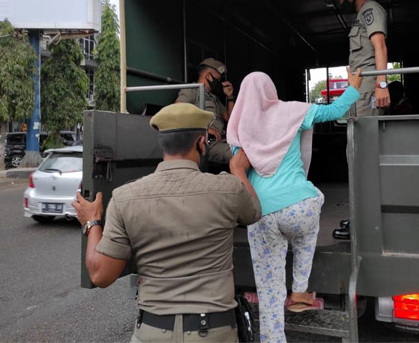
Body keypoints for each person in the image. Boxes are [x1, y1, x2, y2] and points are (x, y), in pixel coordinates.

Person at [72, 103, 261, 343]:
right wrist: (238, 169)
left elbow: (100, 275)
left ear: (162, 145)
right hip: (215, 333)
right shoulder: (228, 189)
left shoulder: (124, 198)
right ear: (202, 144)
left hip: (151, 332)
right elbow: (254, 212)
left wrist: (92, 222)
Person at [226, 68, 363, 343]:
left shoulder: (238, 128)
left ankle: (273, 339)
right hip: (299, 208)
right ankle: (300, 290)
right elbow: (334, 111)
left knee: (269, 289)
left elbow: (240, 168)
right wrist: (353, 87)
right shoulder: (293, 111)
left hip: (260, 215)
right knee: (310, 215)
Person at [336, 0, 390, 115]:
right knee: (359, 134)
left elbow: (380, 46)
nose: (341, 2)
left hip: (368, 89)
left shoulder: (371, 9)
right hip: (360, 89)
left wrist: (381, 84)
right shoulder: (361, 15)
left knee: (367, 135)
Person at [176, 58, 235, 163]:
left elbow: (230, 118)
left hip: (221, 141)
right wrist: (204, 129)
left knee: (246, 150)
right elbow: (178, 111)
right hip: (205, 143)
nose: (221, 83)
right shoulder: (192, 90)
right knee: (238, 156)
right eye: (219, 79)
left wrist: (230, 97)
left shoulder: (214, 97)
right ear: (208, 76)